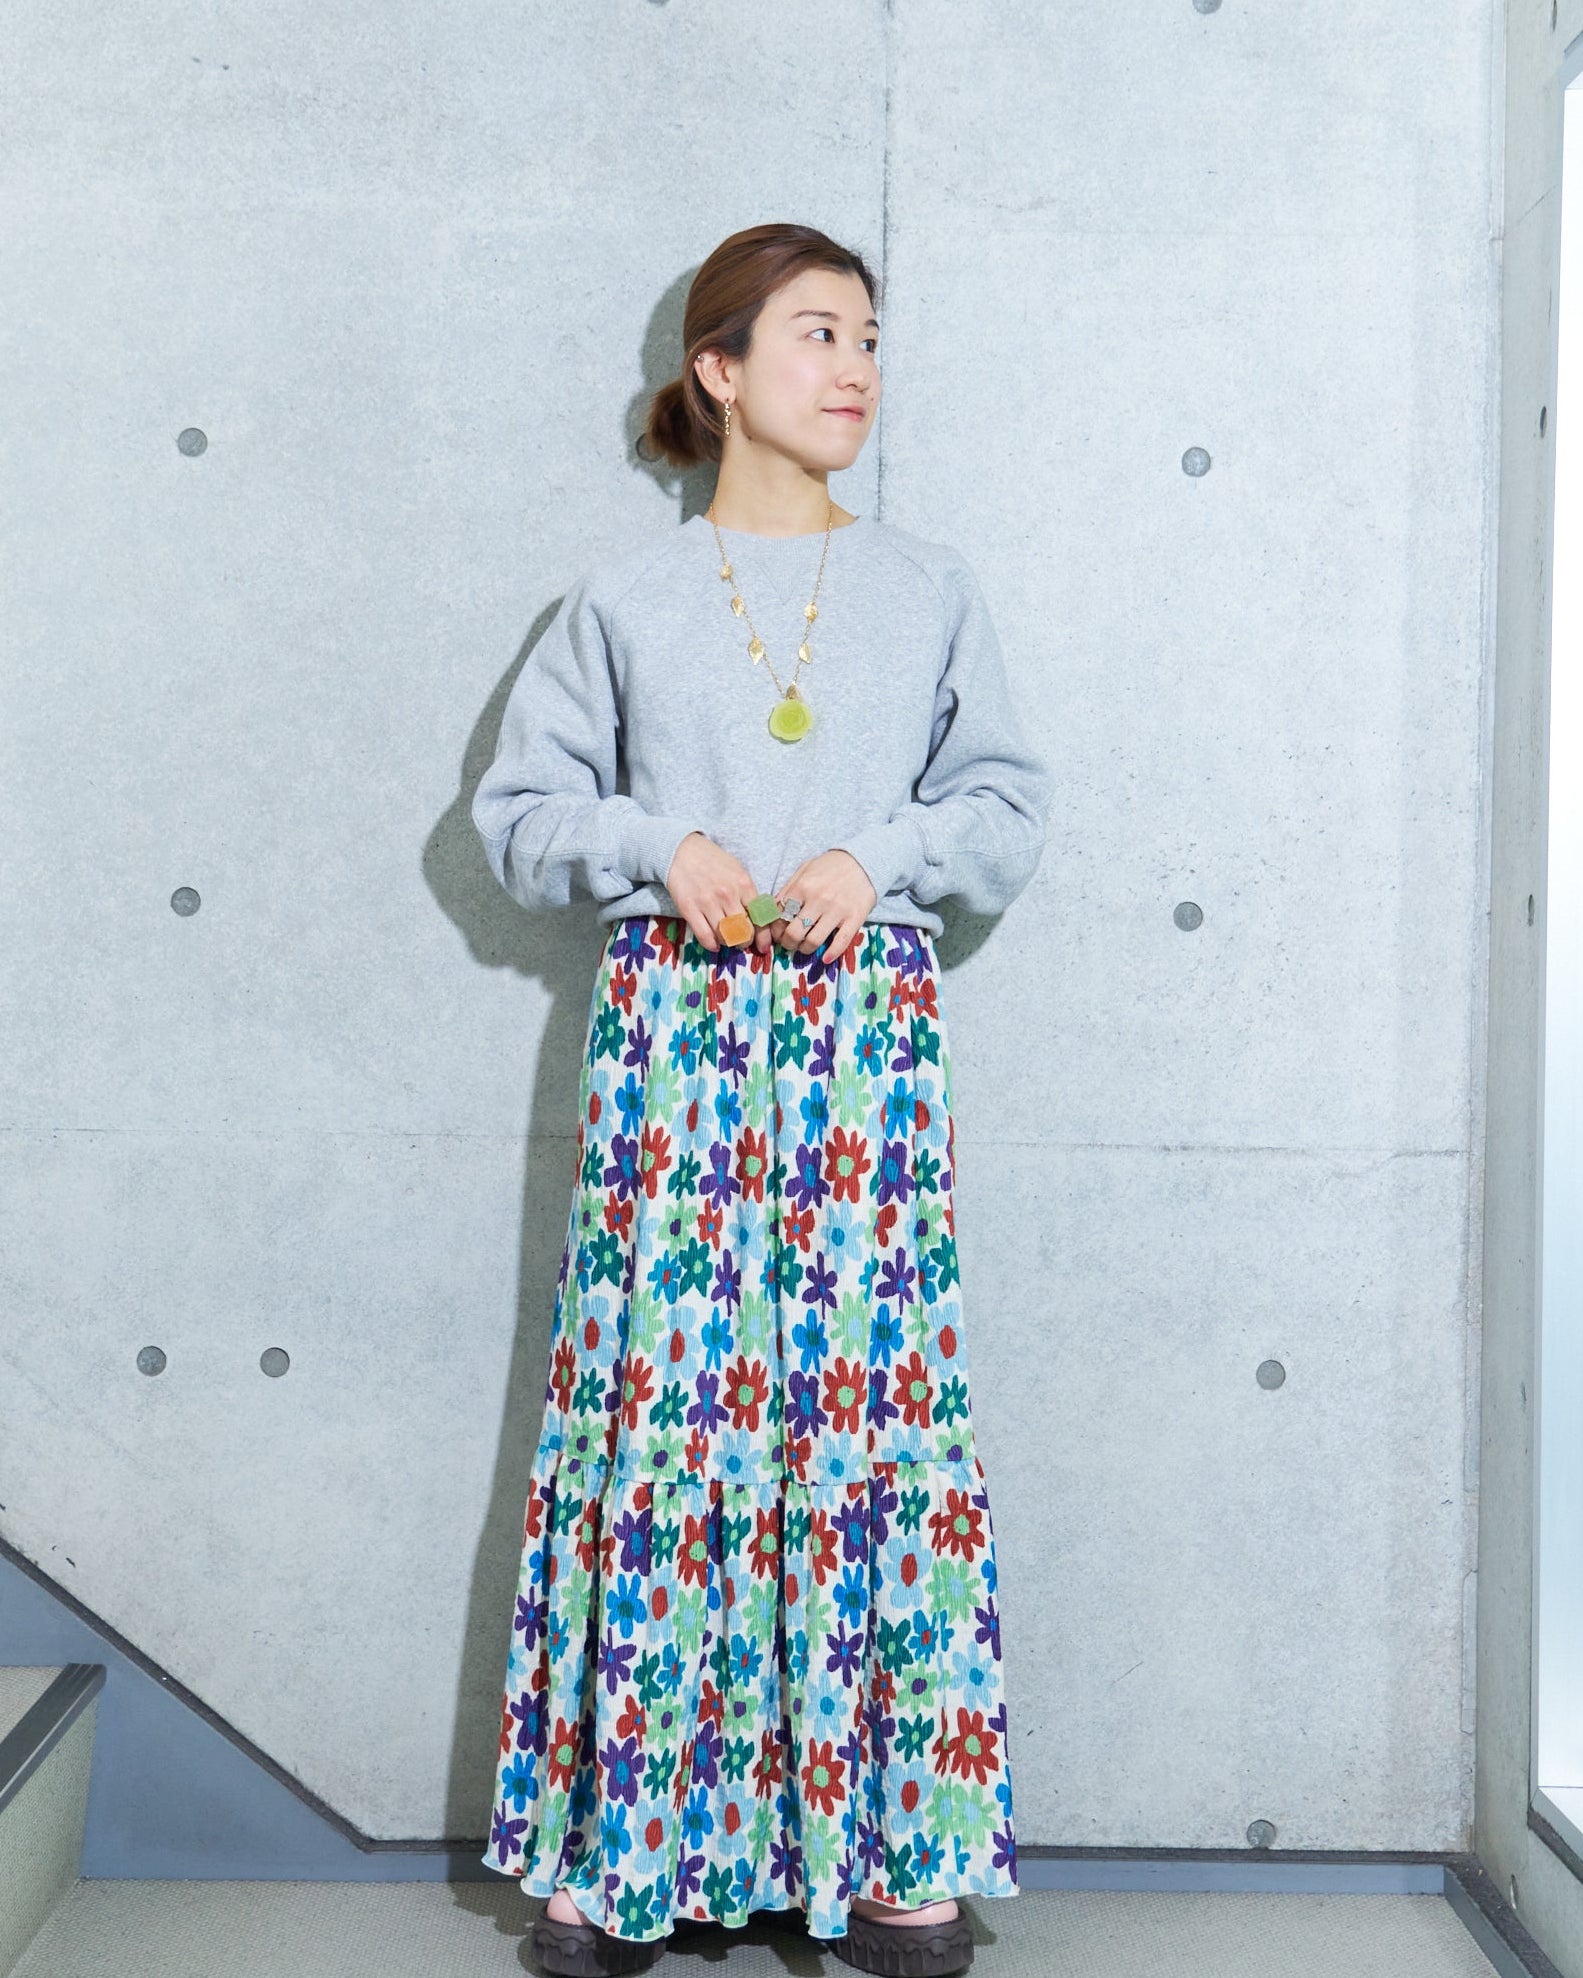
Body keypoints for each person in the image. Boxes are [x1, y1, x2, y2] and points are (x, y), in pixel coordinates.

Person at [472, 222, 1051, 1978]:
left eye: (869, 336)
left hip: (865, 1043)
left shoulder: (931, 587)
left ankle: (894, 1852)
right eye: (816, 333)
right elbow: (518, 815)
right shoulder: (622, 601)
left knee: (870, 1419)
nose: (855, 366)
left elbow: (1006, 807)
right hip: (678, 1039)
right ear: (719, 370)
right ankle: (623, 1848)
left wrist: (881, 854)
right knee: (664, 1416)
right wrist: (662, 842)